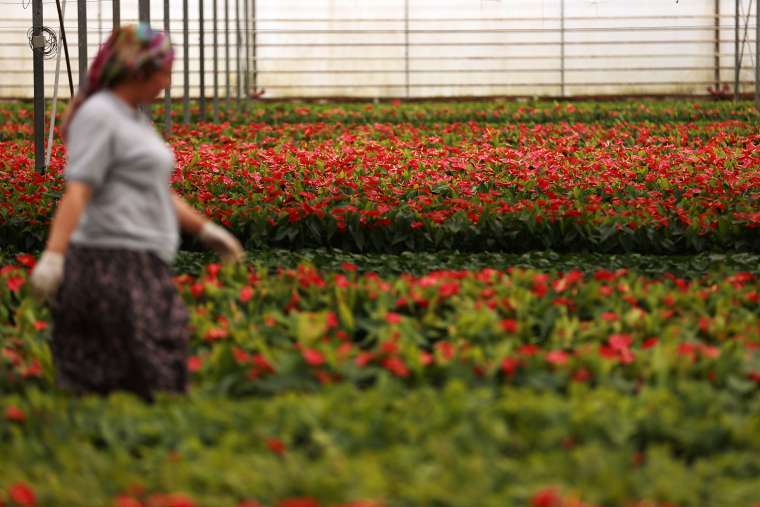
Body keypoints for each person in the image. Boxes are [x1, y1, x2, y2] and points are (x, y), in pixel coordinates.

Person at [28, 23, 244, 400]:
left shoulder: (134, 118)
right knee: (135, 376)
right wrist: (54, 256)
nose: (167, 82)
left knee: (152, 369)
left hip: (143, 261)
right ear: (139, 70)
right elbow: (78, 190)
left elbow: (156, 191)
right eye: (164, 72)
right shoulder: (100, 115)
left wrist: (207, 230)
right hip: (109, 262)